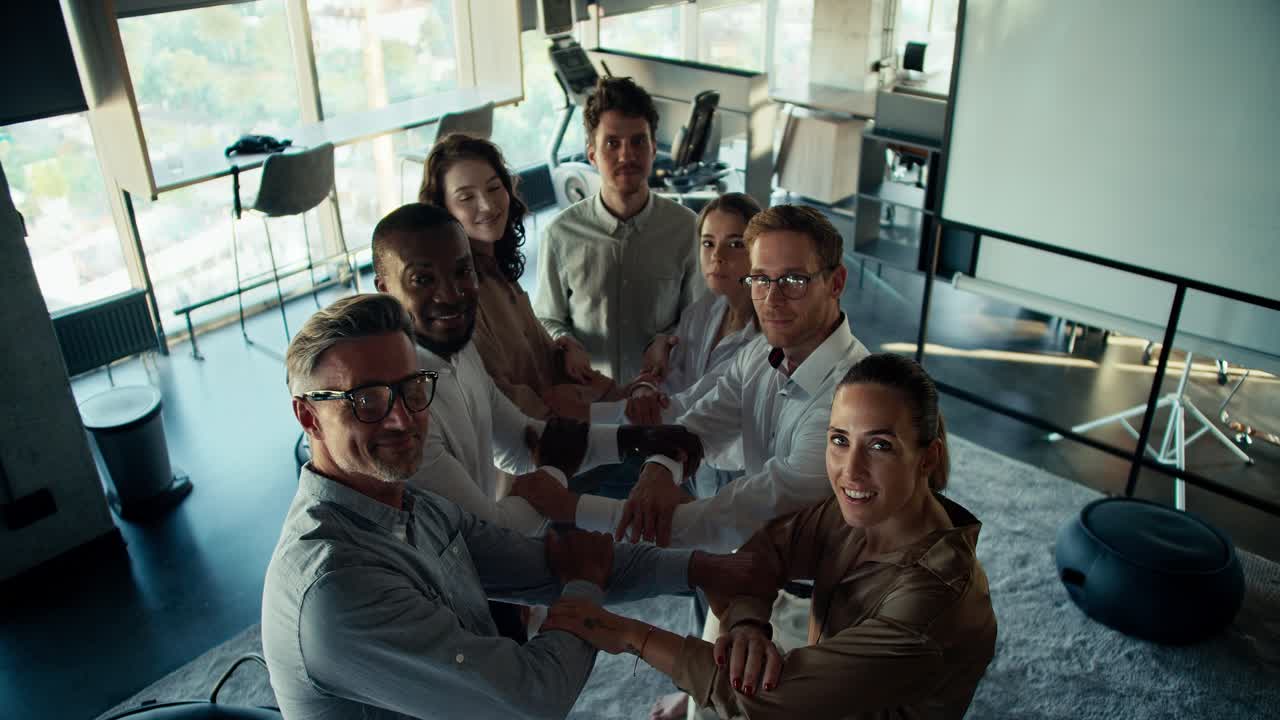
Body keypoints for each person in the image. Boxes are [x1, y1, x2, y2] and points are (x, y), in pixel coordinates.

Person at [261, 293, 772, 720]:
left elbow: (545, 561)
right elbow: (530, 700)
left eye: (412, 389)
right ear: (308, 416)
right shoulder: (334, 589)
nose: (403, 419)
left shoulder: (407, 503)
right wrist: (586, 586)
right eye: (367, 401)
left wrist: (704, 568)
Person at [541, 353, 1000, 719]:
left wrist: (627, 633)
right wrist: (747, 627)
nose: (850, 471)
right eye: (839, 440)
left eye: (880, 446)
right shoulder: (863, 511)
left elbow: (767, 699)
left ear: (926, 457)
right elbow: (767, 549)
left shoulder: (934, 601)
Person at [513, 204, 870, 553]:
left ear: (836, 282)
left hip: (814, 590)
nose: (771, 298)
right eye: (761, 279)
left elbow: (745, 511)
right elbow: (699, 418)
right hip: (758, 563)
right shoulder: (761, 354)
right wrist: (659, 466)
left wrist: (575, 509)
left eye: (794, 280)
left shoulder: (853, 401)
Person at [371, 202, 701, 537]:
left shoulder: (459, 349)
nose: (451, 294)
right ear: (384, 288)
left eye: (462, 271)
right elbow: (491, 534)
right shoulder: (399, 412)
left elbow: (520, 442)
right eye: (422, 279)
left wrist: (635, 438)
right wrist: (558, 477)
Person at [419, 133, 619, 421]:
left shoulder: (494, 264)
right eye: (466, 198)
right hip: (543, 448)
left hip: (565, 428)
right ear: (443, 209)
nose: (487, 206)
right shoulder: (460, 298)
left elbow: (536, 350)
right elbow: (507, 405)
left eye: (493, 188)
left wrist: (565, 346)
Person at [533, 76, 702, 383]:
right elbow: (546, 317)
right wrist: (564, 340)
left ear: (653, 148)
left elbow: (700, 318)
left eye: (638, 141)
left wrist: (669, 339)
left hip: (664, 395)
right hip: (592, 397)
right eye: (612, 143)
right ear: (592, 154)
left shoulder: (687, 228)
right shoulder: (560, 234)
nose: (626, 155)